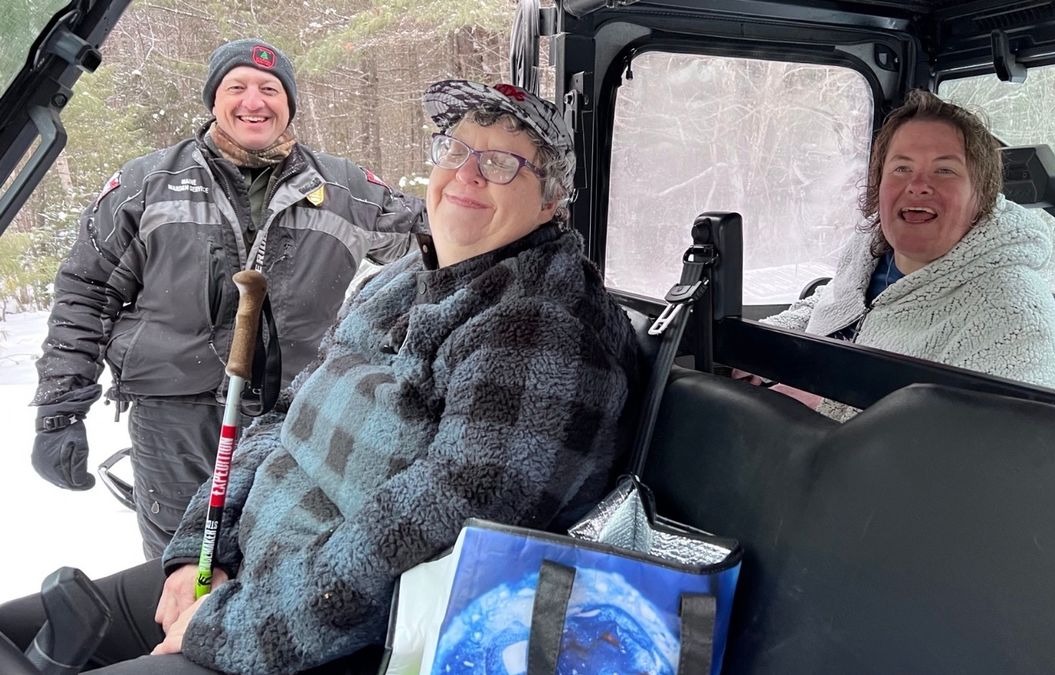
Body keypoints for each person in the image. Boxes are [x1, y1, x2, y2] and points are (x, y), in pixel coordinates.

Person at [0, 79, 640, 675]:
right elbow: (283, 417)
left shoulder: (541, 324)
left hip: (325, 631)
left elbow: (432, 533)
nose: (467, 173)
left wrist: (226, 627)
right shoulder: (400, 280)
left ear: (553, 199)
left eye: (503, 163)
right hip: (247, 571)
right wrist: (198, 554)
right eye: (457, 149)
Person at [29, 38, 425, 558]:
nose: (253, 101)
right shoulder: (147, 184)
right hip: (173, 418)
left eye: (269, 88)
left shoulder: (346, 189)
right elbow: (86, 292)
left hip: (295, 414)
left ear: (289, 103)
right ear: (214, 99)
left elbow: (442, 237)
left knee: (283, 556)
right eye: (236, 87)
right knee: (181, 570)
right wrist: (60, 410)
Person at [757, 89, 1055, 419]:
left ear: (982, 198)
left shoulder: (1011, 308)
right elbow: (831, 306)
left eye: (944, 170)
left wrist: (827, 406)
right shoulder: (869, 250)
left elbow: (1009, 444)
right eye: (901, 168)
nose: (918, 184)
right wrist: (759, 349)